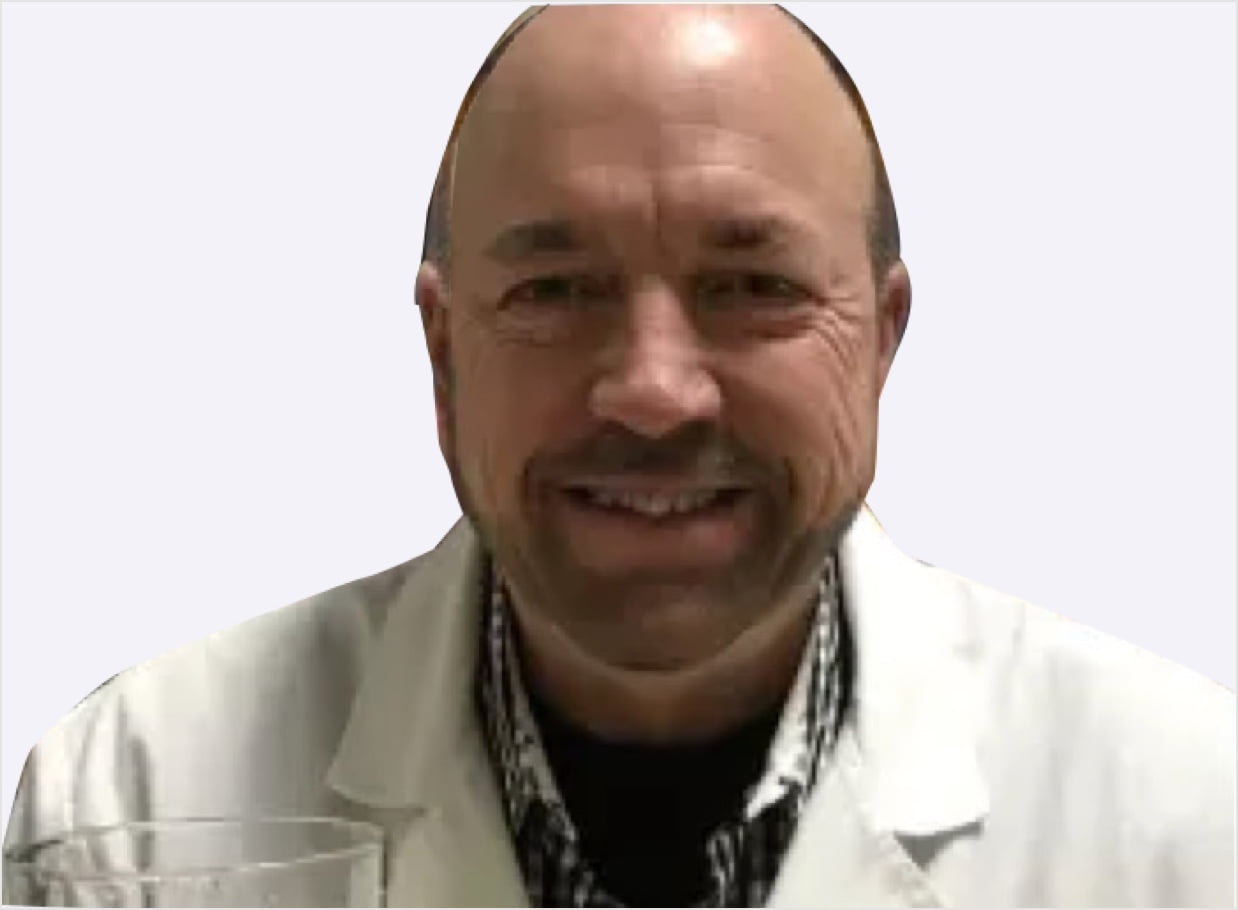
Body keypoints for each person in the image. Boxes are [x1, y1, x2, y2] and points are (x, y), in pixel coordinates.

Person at [5, 4, 1234, 907]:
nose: (652, 391)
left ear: (881, 339)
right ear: (443, 353)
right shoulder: (134, 804)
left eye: (751, 287)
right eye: (554, 289)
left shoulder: (1188, 819)